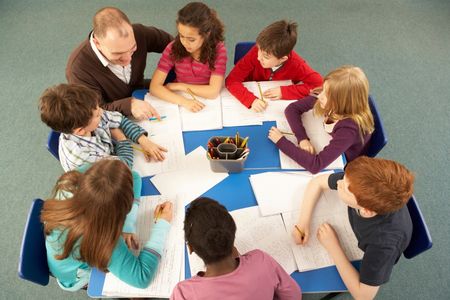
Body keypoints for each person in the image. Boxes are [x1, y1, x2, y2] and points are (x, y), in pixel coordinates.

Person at [292, 156, 414, 299]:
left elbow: (363, 296)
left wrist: (333, 246)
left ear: (365, 210)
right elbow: (317, 182)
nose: (338, 182)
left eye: (344, 187)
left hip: (371, 249)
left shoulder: (384, 245)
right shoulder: (359, 181)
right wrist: (303, 222)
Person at [42, 159, 173, 291]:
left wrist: (127, 226)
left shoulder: (79, 178)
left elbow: (135, 177)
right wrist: (162, 224)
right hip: (75, 275)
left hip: (63, 247)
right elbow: (142, 278)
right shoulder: (100, 238)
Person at [171, 197, 301, 300]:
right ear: (232, 234)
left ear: (190, 248)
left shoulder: (184, 294)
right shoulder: (261, 261)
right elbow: (294, 295)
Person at [66, 7, 173, 120]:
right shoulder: (78, 68)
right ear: (97, 43)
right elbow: (94, 111)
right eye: (118, 54)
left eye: (133, 49)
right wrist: (129, 105)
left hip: (140, 92)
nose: (128, 60)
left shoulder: (139, 33)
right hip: (112, 117)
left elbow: (176, 46)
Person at [268, 65, 374, 174]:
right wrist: (302, 139)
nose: (320, 96)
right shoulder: (331, 100)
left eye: (327, 94)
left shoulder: (349, 129)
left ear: (343, 102)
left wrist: (281, 141)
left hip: (344, 164)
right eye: (323, 89)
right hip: (331, 143)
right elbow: (292, 109)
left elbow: (315, 165)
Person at [39, 83, 167, 172]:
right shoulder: (83, 157)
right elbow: (123, 168)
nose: (102, 111)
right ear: (80, 130)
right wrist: (122, 138)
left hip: (111, 154)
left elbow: (119, 120)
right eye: (97, 114)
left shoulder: (88, 115)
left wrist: (143, 140)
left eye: (98, 107)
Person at [225, 20, 322, 112]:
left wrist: (284, 92)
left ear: (283, 59)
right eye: (259, 49)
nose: (258, 57)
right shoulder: (255, 52)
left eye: (266, 57)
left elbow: (319, 85)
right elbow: (231, 80)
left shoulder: (297, 65)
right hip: (249, 95)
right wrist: (251, 100)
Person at [150, 2, 227, 113]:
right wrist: (185, 102)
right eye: (181, 36)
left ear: (207, 34)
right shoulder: (173, 48)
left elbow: (213, 91)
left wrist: (179, 86)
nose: (185, 43)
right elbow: (154, 87)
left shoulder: (219, 50)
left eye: (191, 39)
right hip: (182, 99)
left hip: (208, 102)